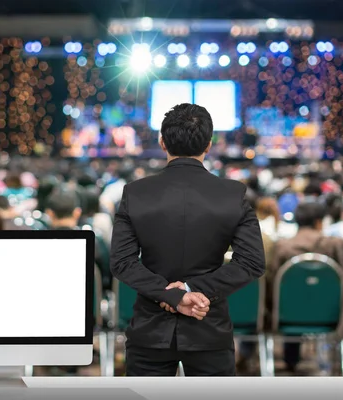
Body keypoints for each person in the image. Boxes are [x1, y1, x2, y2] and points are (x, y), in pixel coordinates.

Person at [110, 103, 265, 376]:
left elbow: (122, 262)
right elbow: (252, 262)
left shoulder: (135, 193)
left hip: (149, 329)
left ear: (162, 142)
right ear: (209, 144)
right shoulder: (232, 194)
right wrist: (192, 289)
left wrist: (172, 295)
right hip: (209, 325)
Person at [270, 202, 343, 373]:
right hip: (330, 315)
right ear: (319, 222)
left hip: (287, 314)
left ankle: (290, 359)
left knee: (294, 298)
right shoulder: (332, 244)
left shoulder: (282, 247)